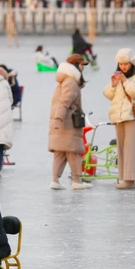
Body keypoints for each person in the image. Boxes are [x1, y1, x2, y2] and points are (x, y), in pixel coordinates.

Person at [103, 48, 135, 190]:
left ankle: (130, 180)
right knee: (122, 148)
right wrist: (113, 84)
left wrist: (124, 81)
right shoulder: (118, 76)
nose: (123, 67)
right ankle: (123, 177)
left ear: (132, 63)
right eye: (121, 64)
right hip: (118, 116)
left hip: (132, 115)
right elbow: (109, 95)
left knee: (131, 147)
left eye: (126, 64)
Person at [49, 54, 91, 190]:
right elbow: (65, 101)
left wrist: (57, 119)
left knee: (60, 152)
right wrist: (59, 118)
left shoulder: (64, 80)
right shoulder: (71, 81)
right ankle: (76, 181)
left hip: (61, 121)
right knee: (73, 151)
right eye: (82, 65)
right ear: (76, 65)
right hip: (68, 122)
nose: (83, 68)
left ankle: (55, 181)